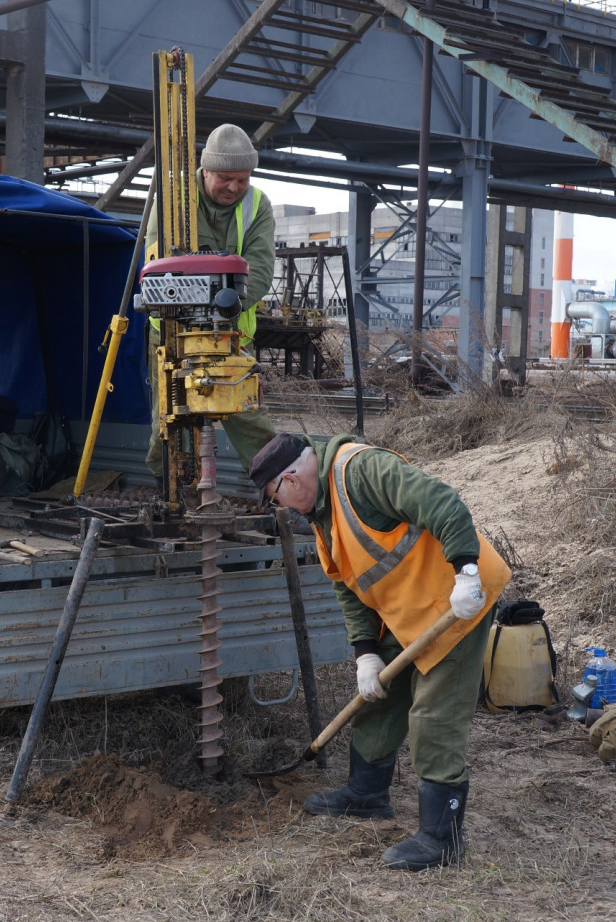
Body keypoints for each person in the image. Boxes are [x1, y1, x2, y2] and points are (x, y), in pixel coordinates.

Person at [249, 431, 511, 871]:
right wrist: (366, 654)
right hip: (407, 612)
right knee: (375, 701)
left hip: (457, 600)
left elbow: (442, 502)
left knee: (434, 716)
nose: (281, 507)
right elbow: (350, 589)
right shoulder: (322, 516)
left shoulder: (361, 471)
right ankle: (366, 795)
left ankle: (440, 839)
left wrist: (466, 571)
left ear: (290, 483)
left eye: (275, 497)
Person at [144, 122, 277, 477]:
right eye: (226, 178)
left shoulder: (258, 205)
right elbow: (159, 265)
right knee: (170, 417)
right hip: (172, 333)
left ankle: (277, 490)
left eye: (242, 180)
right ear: (206, 171)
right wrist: (201, 307)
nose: (234, 187)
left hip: (229, 333)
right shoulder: (173, 200)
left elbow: (260, 268)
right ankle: (168, 490)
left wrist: (224, 308)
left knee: (248, 414)